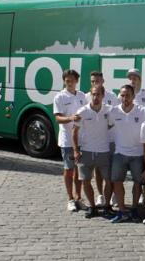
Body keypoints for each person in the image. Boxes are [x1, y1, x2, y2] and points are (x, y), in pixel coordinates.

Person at [109, 85, 145, 223]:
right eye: (122, 95)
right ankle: (122, 211)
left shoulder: (143, 111)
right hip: (119, 152)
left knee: (138, 183)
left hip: (138, 154)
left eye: (128, 95)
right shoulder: (113, 112)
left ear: (134, 96)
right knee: (117, 181)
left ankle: (134, 209)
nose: (125, 98)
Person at [72, 85, 114, 219]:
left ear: (103, 96)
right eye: (93, 94)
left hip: (104, 151)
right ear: (91, 95)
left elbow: (112, 124)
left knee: (109, 180)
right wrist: (76, 151)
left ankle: (107, 206)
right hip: (86, 151)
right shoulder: (82, 111)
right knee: (86, 180)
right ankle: (92, 207)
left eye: (98, 95)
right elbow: (74, 131)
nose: (96, 97)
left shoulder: (109, 110)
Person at [53, 69, 86, 212]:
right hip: (67, 141)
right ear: (64, 81)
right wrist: (71, 118)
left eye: (72, 80)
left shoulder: (82, 96)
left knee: (80, 171)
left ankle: (79, 198)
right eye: (67, 80)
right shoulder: (59, 97)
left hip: (82, 139)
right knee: (69, 170)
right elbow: (58, 118)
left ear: (77, 80)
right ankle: (70, 199)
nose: (69, 82)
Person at [85, 71, 119, 209]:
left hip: (110, 139)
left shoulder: (112, 96)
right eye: (93, 81)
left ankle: (114, 195)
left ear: (103, 80)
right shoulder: (87, 96)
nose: (95, 83)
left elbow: (117, 114)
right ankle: (101, 195)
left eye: (97, 80)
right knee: (98, 170)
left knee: (111, 170)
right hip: (95, 141)